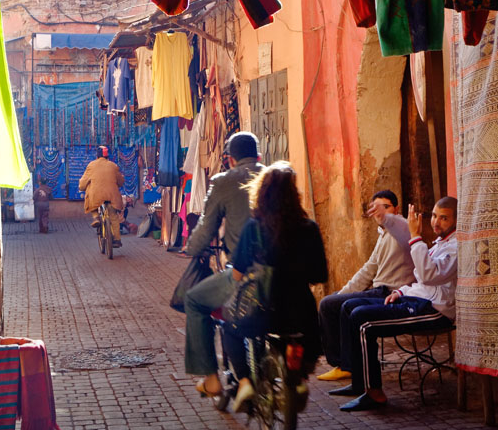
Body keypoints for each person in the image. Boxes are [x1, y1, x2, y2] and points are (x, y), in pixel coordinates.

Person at [186, 162, 328, 412]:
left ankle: (243, 380)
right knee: (304, 344)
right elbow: (319, 275)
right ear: (295, 194)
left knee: (230, 326)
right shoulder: (310, 229)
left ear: (262, 193)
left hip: (262, 310)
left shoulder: (255, 227)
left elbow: (239, 272)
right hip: (300, 313)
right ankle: (299, 380)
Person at [330, 197, 458, 411]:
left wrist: (415, 236)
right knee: (349, 307)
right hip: (417, 299)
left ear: (456, 220)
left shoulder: (456, 247)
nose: (436, 222)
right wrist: (401, 291)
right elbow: (420, 281)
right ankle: (359, 384)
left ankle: (374, 393)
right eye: (435, 216)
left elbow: (428, 274)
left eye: (444, 218)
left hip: (435, 310)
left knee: (363, 320)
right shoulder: (439, 244)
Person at [181, 133, 263, 396]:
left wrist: (192, 248)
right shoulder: (275, 175)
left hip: (243, 271)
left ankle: (211, 378)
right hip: (282, 268)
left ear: (229, 159)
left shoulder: (224, 181)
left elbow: (207, 227)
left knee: (194, 300)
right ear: (259, 156)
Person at [316, 190, 414, 382]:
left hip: (393, 294)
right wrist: (343, 292)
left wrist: (385, 216)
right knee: (331, 302)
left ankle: (346, 365)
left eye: (386, 208)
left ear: (396, 209)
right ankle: (343, 363)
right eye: (377, 208)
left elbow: (401, 228)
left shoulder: (403, 229)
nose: (380, 213)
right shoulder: (383, 235)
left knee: (333, 305)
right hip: (377, 291)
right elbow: (368, 270)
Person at [78, 146, 124, 248]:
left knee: (92, 203)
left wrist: (82, 187)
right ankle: (117, 239)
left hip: (96, 197)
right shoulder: (113, 166)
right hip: (112, 197)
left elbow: (82, 184)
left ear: (97, 156)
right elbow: (121, 182)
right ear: (107, 156)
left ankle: (96, 218)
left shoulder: (91, 165)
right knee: (114, 217)